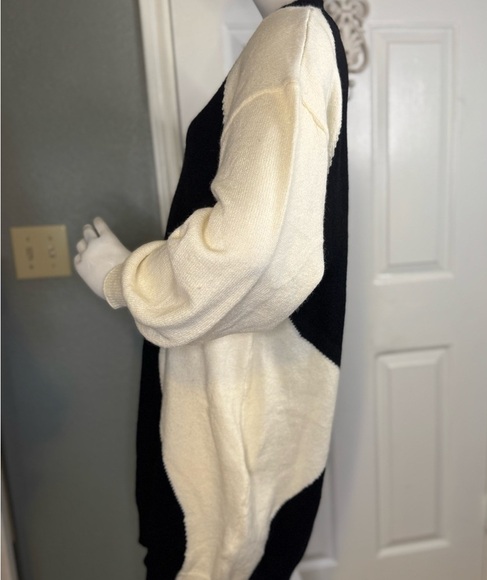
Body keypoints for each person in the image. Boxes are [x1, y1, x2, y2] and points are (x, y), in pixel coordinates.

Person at [75, 1, 348, 578]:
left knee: (204, 557)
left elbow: (255, 256)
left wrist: (124, 277)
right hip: (245, 393)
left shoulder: (291, 35)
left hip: (224, 409)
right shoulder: (307, 36)